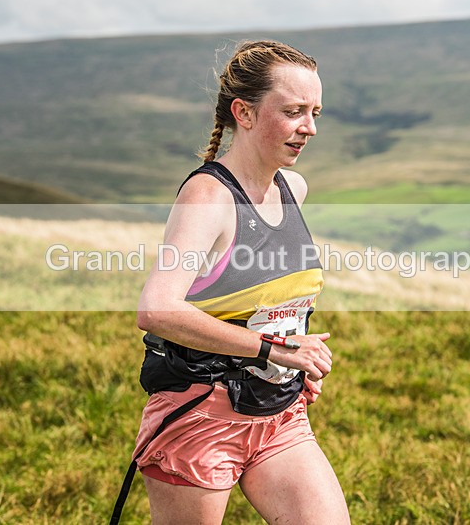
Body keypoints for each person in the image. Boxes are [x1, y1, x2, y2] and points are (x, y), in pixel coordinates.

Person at [110, 40, 350, 525]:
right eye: (294, 111)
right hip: (199, 414)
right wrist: (273, 351)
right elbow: (156, 309)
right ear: (244, 112)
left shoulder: (293, 188)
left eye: (315, 111)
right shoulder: (209, 197)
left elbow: (269, 302)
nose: (310, 127)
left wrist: (289, 364)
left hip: (279, 414)